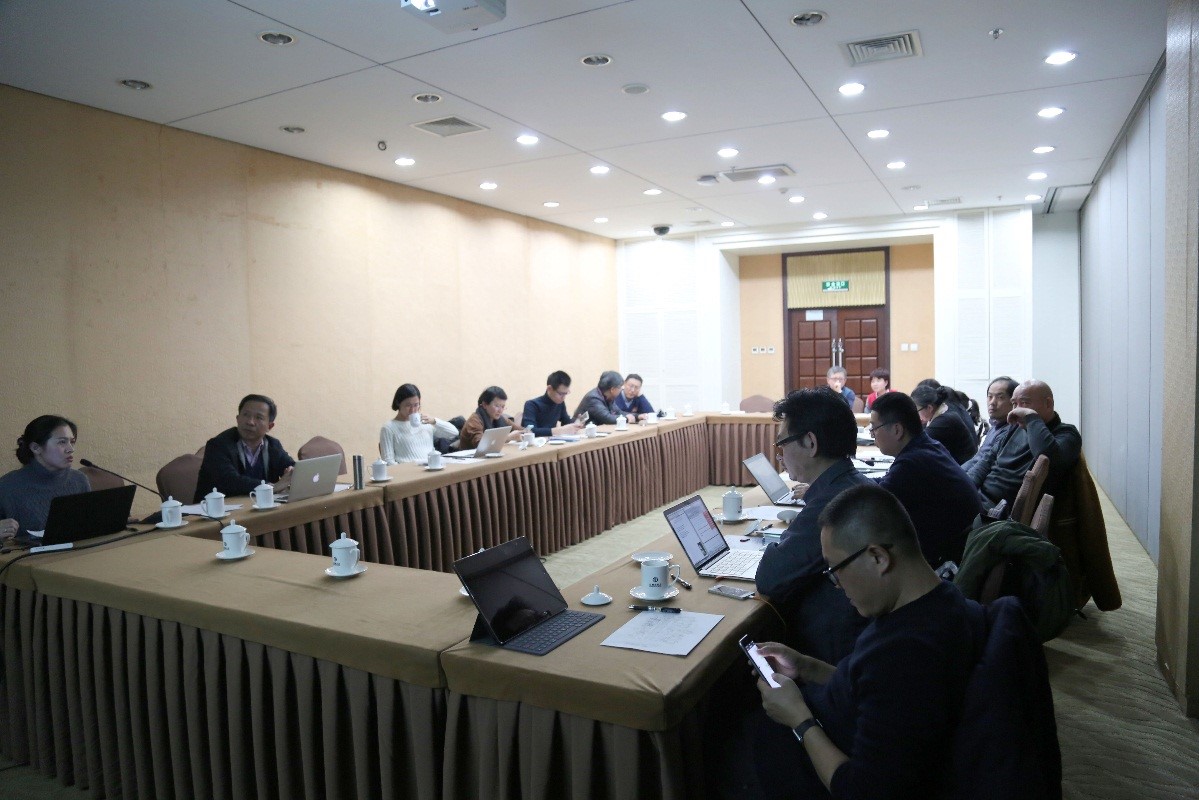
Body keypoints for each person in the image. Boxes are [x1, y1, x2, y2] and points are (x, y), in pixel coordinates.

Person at [752, 484, 979, 799]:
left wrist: (799, 720)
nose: (837, 584)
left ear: (877, 558)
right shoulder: (944, 601)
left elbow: (859, 789)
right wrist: (805, 667)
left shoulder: (907, 656)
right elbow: (874, 690)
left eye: (836, 570)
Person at [755, 388, 872, 665]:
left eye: (782, 443)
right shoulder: (852, 484)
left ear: (810, 443)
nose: (780, 454)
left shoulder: (833, 503)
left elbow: (769, 579)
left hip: (833, 654)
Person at [868, 392, 984, 566]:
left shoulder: (912, 462)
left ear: (897, 430)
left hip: (948, 561)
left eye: (874, 428)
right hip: (961, 547)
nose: (872, 435)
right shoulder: (927, 446)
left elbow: (874, 503)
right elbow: (886, 483)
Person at [967, 379, 1081, 511]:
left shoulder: (1067, 433)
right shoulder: (1015, 428)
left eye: (1025, 403)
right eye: (1014, 404)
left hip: (999, 511)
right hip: (978, 498)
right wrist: (965, 487)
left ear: (1048, 403)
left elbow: (1047, 458)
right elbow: (986, 461)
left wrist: (1031, 417)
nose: (1016, 410)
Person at [0, 415, 91, 538]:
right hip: (29, 551)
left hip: (77, 549)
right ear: (36, 448)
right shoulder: (7, 486)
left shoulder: (79, 480)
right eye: (62, 442)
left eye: (72, 442)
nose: (70, 449)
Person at [195, 394, 295, 501]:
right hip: (217, 508)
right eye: (246, 415)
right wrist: (272, 487)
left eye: (259, 417)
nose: (250, 422)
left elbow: (293, 467)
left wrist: (292, 472)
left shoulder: (273, 445)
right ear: (238, 419)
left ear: (269, 426)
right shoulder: (218, 445)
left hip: (260, 506)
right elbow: (229, 481)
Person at [379, 384, 460, 464]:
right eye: (408, 405)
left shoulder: (425, 423)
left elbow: (454, 433)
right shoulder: (389, 428)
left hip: (431, 467)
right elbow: (388, 461)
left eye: (416, 405)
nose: (412, 410)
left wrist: (434, 421)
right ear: (398, 403)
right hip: (408, 470)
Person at [911, 382, 978, 465]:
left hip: (965, 468)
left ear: (929, 408)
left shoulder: (944, 421)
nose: (916, 415)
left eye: (917, 411)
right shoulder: (944, 411)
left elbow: (917, 445)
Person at [963, 376, 1017, 472]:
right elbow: (977, 458)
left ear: (1013, 402)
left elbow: (985, 466)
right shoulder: (995, 426)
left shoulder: (1011, 431)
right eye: (990, 396)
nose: (992, 402)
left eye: (1000, 397)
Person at [459, 386, 524, 451]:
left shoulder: (501, 418)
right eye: (497, 406)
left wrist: (524, 432)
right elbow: (481, 445)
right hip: (471, 456)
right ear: (484, 405)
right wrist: (507, 438)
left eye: (503, 406)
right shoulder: (474, 420)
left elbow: (522, 430)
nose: (500, 410)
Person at [522, 371, 584, 437]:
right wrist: (559, 430)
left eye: (565, 393)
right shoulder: (531, 405)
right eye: (561, 394)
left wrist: (576, 424)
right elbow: (530, 431)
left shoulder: (560, 403)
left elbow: (566, 422)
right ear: (549, 389)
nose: (563, 397)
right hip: (536, 442)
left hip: (552, 441)